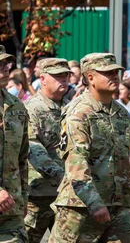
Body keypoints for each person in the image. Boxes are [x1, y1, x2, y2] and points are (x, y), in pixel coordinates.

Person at [49, 53, 130, 243]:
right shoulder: (78, 113)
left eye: (116, 72)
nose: (115, 76)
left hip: (117, 203)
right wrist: (94, 202)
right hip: (81, 207)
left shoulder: (121, 114)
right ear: (90, 78)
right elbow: (76, 163)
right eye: (108, 72)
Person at [25, 58, 72, 242]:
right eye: (57, 76)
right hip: (39, 194)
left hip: (67, 195)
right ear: (43, 79)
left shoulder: (71, 108)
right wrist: (64, 176)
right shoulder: (32, 108)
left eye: (66, 76)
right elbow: (33, 149)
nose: (63, 80)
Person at [0, 46, 29, 242]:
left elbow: (22, 157)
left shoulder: (16, 106)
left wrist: (24, 196)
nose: (4, 69)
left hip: (11, 208)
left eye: (5, 64)